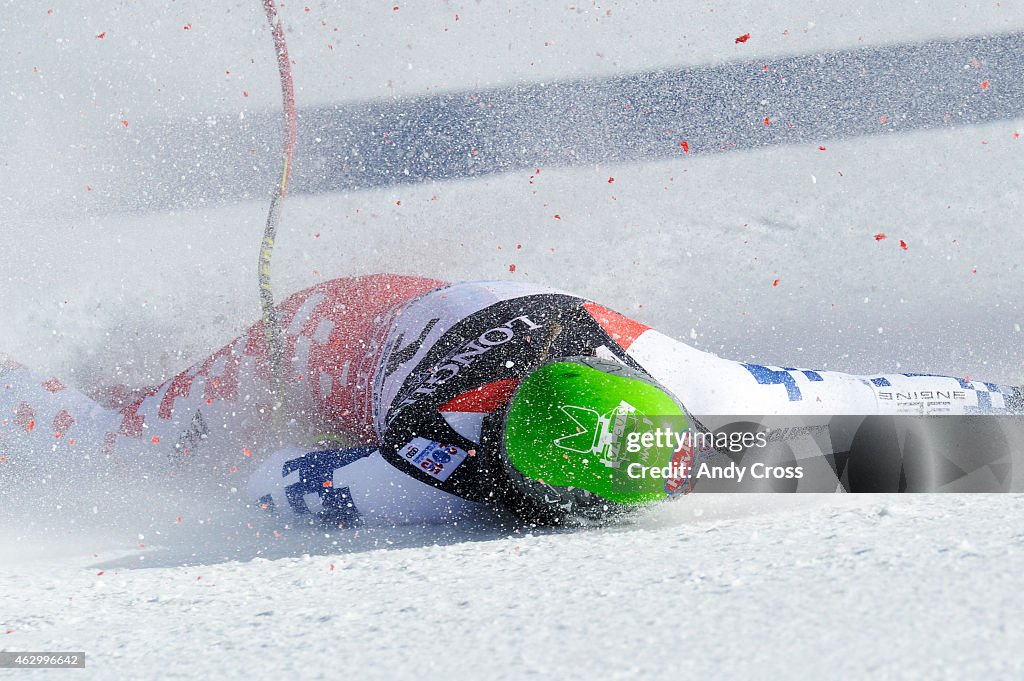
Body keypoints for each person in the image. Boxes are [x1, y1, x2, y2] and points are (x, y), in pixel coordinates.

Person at [2, 274, 1021, 526]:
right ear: (505, 469)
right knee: (132, 437)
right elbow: (273, 481)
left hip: (476, 311)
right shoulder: (425, 470)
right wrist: (269, 468)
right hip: (315, 337)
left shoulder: (691, 398)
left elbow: (903, 410)